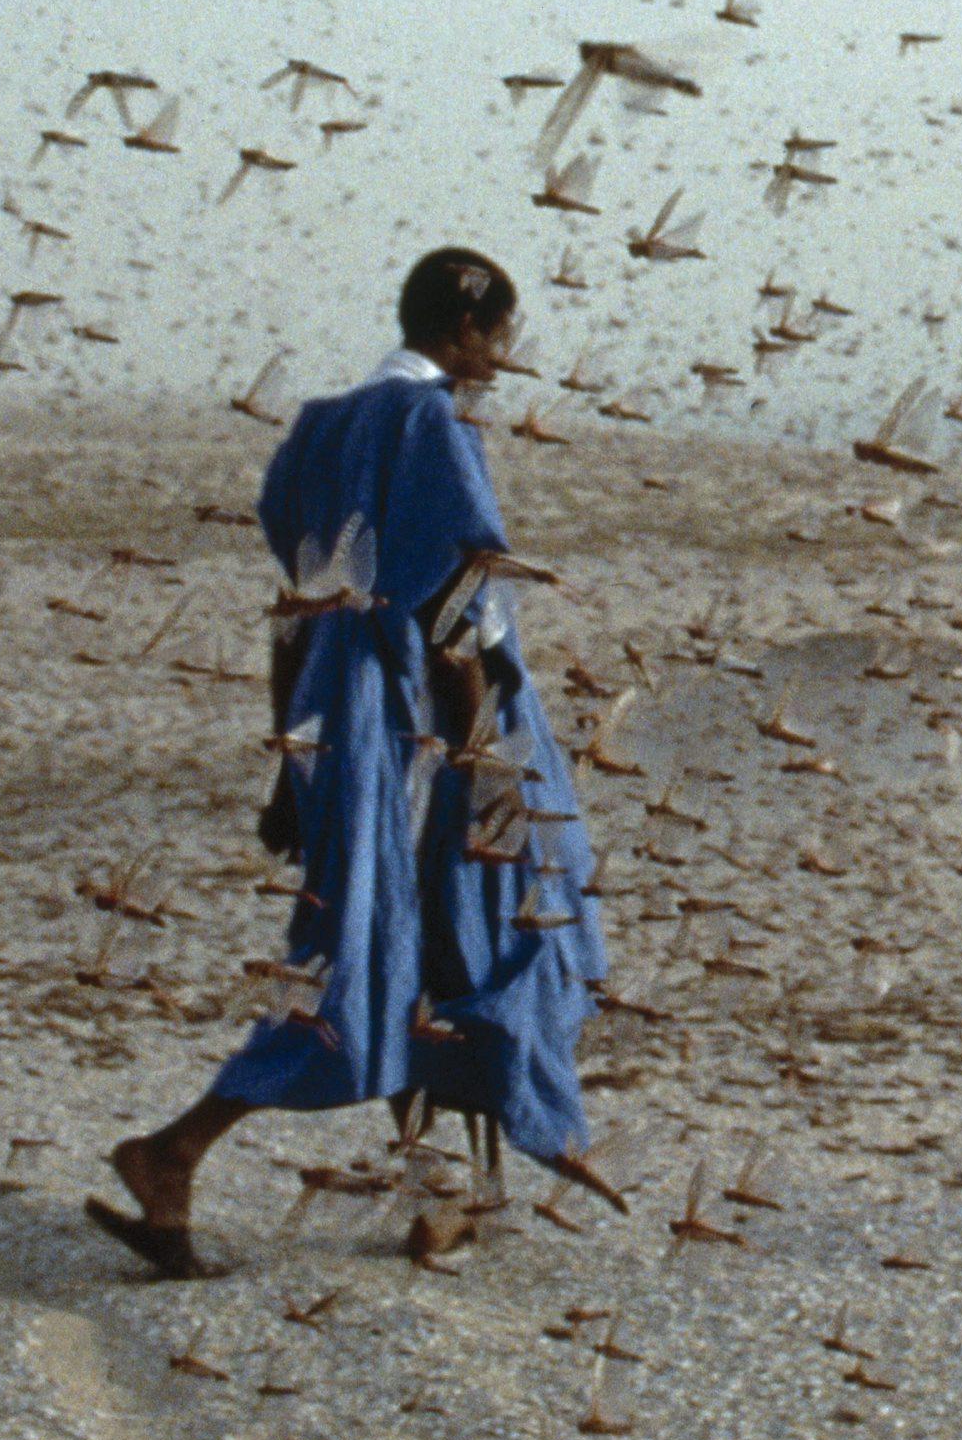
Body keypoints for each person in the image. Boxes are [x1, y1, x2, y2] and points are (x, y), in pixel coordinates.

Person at [88, 247, 617, 1275]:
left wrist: (293, 762)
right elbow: (453, 605)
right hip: (430, 728)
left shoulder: (319, 429)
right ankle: (175, 1151)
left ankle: (446, 1194)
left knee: (429, 945)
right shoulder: (430, 424)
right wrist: (484, 761)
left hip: (344, 722)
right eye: (501, 338)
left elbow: (297, 607)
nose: (503, 359)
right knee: (473, 939)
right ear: (465, 332)